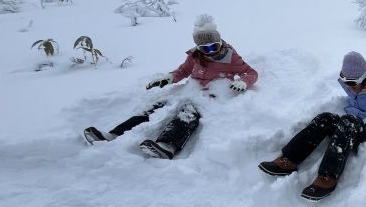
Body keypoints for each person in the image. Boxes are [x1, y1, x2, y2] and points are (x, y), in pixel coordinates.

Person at [83, 14, 258, 159]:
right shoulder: (195, 56)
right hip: (190, 90)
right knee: (154, 108)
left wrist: (243, 82)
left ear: (220, 42)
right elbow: (183, 71)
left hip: (208, 97)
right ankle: (113, 134)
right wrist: (168, 78)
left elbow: (251, 73)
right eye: (206, 48)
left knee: (187, 114)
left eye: (215, 45)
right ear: (198, 47)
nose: (211, 50)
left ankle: (167, 146)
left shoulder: (230, 57)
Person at [259, 51, 366, 201]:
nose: (349, 87)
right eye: (346, 82)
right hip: (349, 119)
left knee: (348, 122)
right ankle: (289, 159)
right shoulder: (350, 79)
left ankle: (328, 175)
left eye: (353, 84)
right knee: (325, 118)